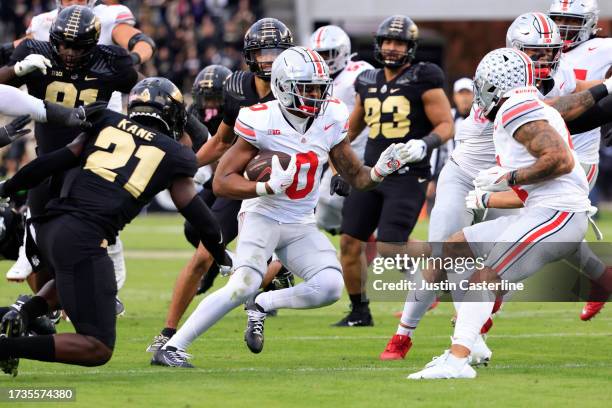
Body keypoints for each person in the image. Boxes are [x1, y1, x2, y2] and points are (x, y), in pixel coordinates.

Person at [151, 46, 412, 368]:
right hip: (263, 214)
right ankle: (173, 347)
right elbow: (221, 182)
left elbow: (357, 178)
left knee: (330, 287)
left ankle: (263, 303)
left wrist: (380, 171)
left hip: (301, 221)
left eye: (320, 86)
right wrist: (264, 187)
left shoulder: (331, 116)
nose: (317, 94)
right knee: (243, 282)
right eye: (308, 87)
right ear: (284, 87)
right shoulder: (260, 118)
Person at [380, 12, 612, 362]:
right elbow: (557, 109)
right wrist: (606, 91)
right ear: (515, 50)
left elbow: (575, 95)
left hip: (511, 180)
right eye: (537, 52)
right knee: (445, 254)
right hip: (468, 176)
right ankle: (405, 334)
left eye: (551, 51)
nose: (546, 60)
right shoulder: (502, 79)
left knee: (543, 236)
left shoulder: (557, 72)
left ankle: (469, 335)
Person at [0, 77, 231, 377]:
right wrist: (219, 253)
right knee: (97, 346)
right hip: (84, 236)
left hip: (50, 227)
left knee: (74, 281)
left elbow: (51, 162)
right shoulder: (175, 155)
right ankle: (8, 346)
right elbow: (203, 221)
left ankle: (23, 315)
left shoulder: (106, 121)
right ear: (173, 115)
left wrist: (9, 187)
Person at [145, 17, 295, 353]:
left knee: (305, 269)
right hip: (241, 182)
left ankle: (261, 304)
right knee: (202, 256)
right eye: (262, 51)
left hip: (287, 185)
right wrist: (182, 165)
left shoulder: (298, 83)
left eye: (275, 51)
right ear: (249, 55)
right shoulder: (238, 87)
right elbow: (221, 141)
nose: (269, 59)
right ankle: (169, 332)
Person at [3, 0, 156, 291]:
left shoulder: (109, 27)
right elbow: (8, 54)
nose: (70, 54)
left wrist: (130, 60)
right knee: (40, 226)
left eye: (79, 47)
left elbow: (143, 59)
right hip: (50, 145)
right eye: (64, 46)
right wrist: (18, 68)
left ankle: (105, 279)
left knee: (84, 228)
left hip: (95, 136)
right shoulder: (40, 30)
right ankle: (38, 279)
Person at [334, 15, 454, 327]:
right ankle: (359, 311)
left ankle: (448, 258)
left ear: (410, 47)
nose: (391, 47)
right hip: (371, 172)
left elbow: (446, 124)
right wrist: (341, 170)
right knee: (349, 242)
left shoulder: (424, 77)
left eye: (398, 42)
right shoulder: (368, 80)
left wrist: (425, 144)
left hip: (408, 172)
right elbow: (346, 134)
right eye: (387, 41)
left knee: (390, 244)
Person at [147, 64, 232, 352]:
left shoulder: (241, 111)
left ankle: (266, 284)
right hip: (222, 181)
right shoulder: (193, 117)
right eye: (204, 97)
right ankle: (170, 331)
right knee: (194, 233)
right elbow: (212, 147)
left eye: (213, 98)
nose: (209, 104)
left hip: (246, 183)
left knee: (326, 282)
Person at [548, 0, 612, 320]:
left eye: (570, 21)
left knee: (541, 229)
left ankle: (485, 306)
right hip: (539, 149)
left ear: (589, 23)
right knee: (553, 234)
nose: (562, 27)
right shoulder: (543, 48)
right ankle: (602, 278)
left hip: (578, 157)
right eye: (558, 20)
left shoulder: (603, 48)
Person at [309, 25, 374, 235]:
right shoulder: (313, 80)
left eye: (328, 54)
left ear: (343, 51)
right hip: (334, 152)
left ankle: (365, 236)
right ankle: (362, 237)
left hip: (363, 149)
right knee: (325, 210)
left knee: (329, 204)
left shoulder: (359, 72)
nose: (324, 59)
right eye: (319, 54)